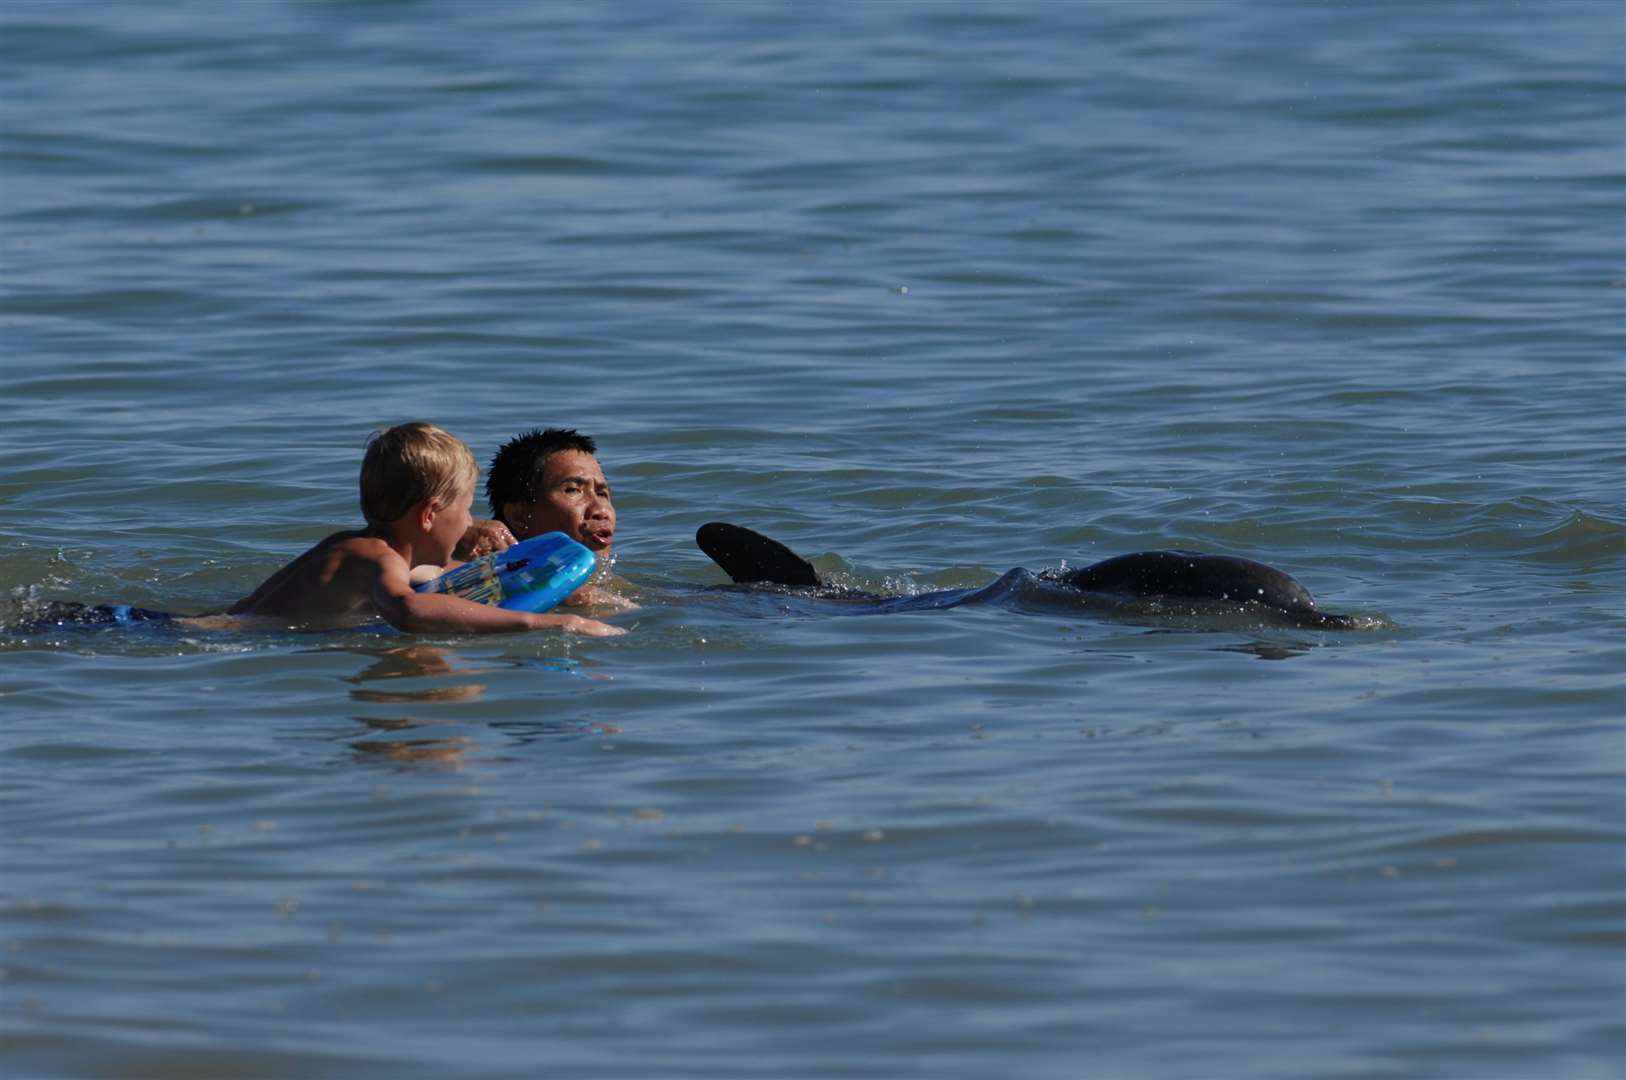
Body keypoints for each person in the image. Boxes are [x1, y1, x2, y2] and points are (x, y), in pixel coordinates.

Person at [226, 422, 623, 635]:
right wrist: (543, 622)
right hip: (201, 637)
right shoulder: (373, 555)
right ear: (430, 514)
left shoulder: (370, 550)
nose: (473, 523)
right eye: (466, 511)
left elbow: (439, 576)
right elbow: (410, 608)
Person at [454, 427, 637, 611]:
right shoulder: (469, 579)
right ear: (519, 516)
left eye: (602, 493)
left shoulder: (613, 587)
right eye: (573, 490)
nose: (601, 510)